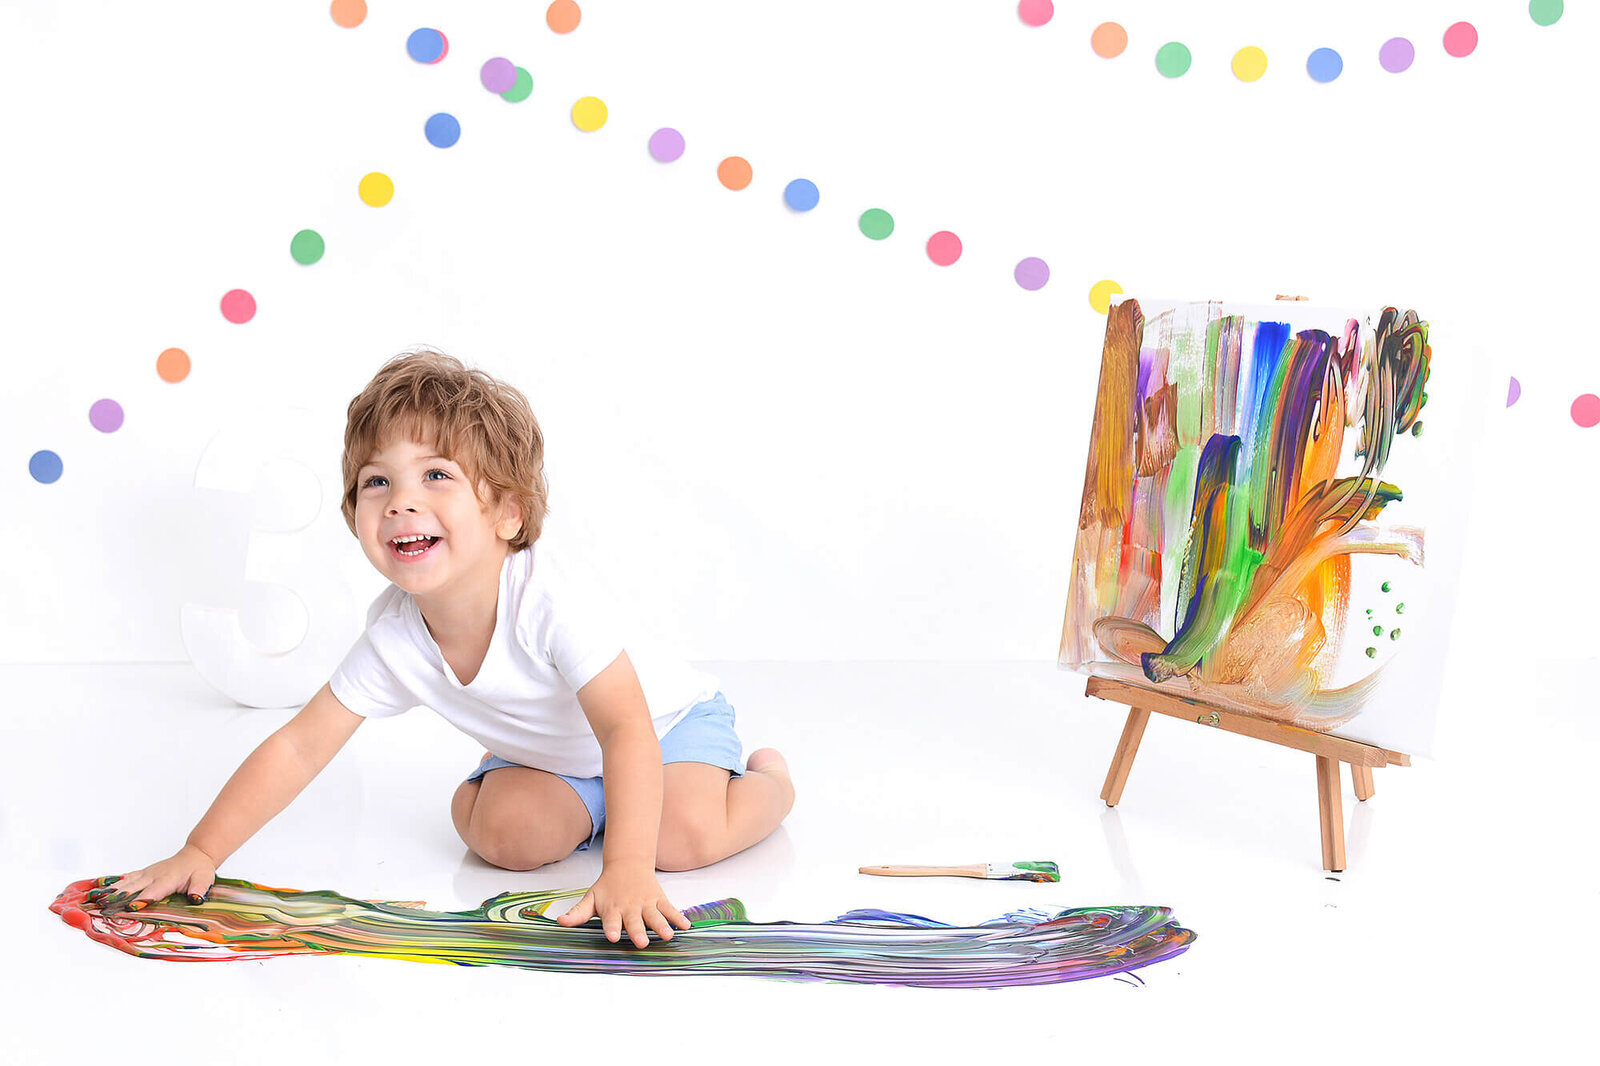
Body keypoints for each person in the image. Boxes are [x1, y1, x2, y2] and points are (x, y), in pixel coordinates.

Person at [102, 348, 796, 949]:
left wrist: (627, 869)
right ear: (355, 518)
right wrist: (201, 850)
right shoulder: (395, 635)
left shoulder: (550, 601)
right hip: (555, 756)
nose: (402, 501)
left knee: (682, 841)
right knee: (504, 840)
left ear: (507, 512)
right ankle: (590, 802)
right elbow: (298, 748)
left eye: (436, 475)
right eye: (378, 482)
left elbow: (625, 728)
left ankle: (769, 783)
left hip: (663, 729)